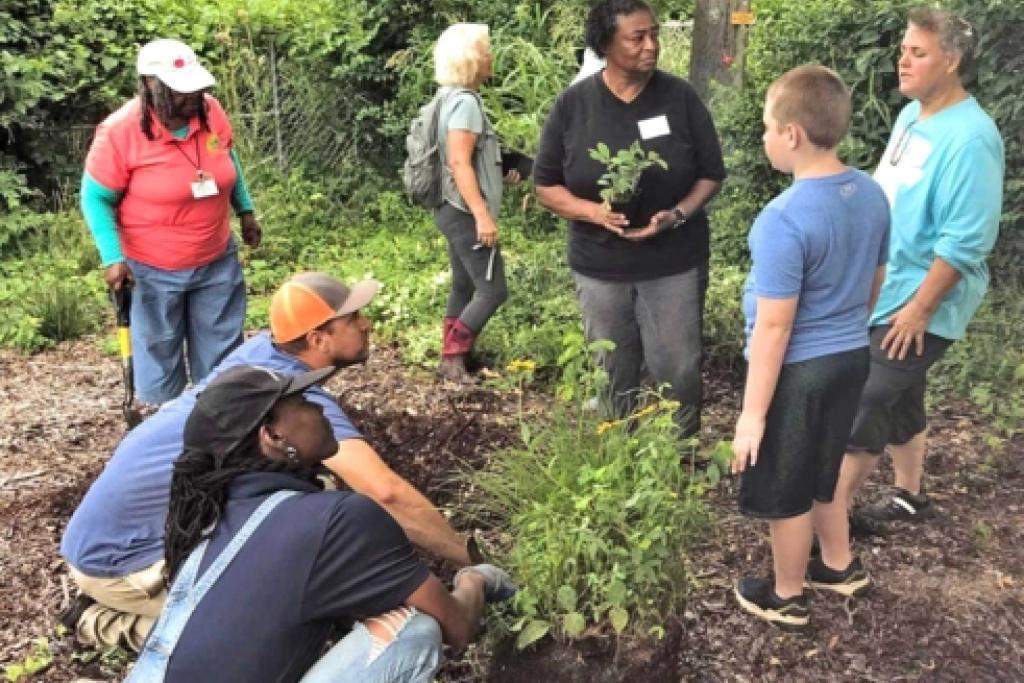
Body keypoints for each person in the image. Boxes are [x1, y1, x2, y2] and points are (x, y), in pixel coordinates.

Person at [60, 272, 479, 651]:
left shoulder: (264, 353)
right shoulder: (287, 401)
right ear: (317, 339)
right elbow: (386, 493)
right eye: (353, 319)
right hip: (123, 559)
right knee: (281, 632)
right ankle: (102, 620)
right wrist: (470, 559)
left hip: (143, 527)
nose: (367, 325)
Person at [121, 365, 514, 682]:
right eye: (302, 401)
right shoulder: (339, 518)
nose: (321, 408)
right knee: (412, 629)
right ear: (273, 435)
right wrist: (475, 580)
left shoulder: (211, 518)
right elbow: (458, 626)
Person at [730, 65, 890, 629]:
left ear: (793, 134)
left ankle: (787, 593)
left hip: (800, 371)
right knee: (824, 466)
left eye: (768, 128)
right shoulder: (870, 193)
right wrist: (846, 325)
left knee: (787, 481)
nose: (764, 138)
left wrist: (753, 416)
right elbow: (876, 280)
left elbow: (775, 328)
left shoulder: (784, 217)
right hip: (851, 357)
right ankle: (840, 565)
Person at [835, 8, 1004, 535]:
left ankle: (827, 525)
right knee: (901, 392)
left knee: (866, 397)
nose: (902, 61)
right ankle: (909, 496)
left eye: (918, 53)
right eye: (903, 50)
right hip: (888, 287)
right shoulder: (913, 116)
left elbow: (966, 240)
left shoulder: (971, 139)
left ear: (951, 62)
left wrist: (919, 311)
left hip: (923, 300)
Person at [534, 0, 726, 437]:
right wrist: (592, 212)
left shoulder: (680, 98)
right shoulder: (573, 106)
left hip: (673, 261)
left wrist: (677, 214)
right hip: (601, 265)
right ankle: (621, 451)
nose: (651, 45)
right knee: (613, 366)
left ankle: (678, 454)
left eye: (654, 34)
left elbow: (711, 174)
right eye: (637, 37)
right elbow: (545, 185)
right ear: (606, 44)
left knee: (677, 367)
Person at [81, 38, 262, 404]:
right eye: (179, 91)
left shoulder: (211, 111)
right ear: (149, 84)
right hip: (152, 269)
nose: (191, 97)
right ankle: (167, 428)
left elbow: (228, 163)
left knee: (222, 352)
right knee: (159, 356)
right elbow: (95, 198)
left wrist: (245, 211)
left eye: (195, 89)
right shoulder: (119, 132)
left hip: (215, 260)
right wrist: (112, 257)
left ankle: (217, 422)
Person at [434, 23, 519, 380]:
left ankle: (457, 359)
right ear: (470, 58)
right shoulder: (466, 104)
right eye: (486, 50)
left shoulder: (447, 97)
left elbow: (463, 157)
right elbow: (458, 161)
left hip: (449, 206)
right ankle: (453, 359)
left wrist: (500, 170)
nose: (491, 57)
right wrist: (482, 214)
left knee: (463, 285)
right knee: (492, 290)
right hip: (465, 210)